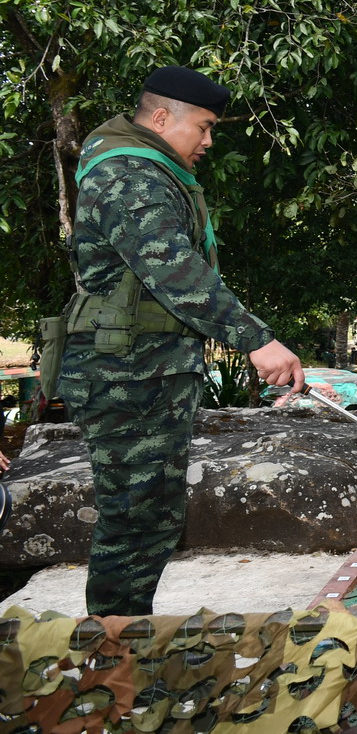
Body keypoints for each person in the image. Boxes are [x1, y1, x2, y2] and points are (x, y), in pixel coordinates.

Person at [56, 65, 304, 618]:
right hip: (124, 374)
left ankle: (123, 644)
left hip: (143, 369)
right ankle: (114, 657)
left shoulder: (144, 167)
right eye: (205, 126)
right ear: (162, 118)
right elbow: (171, 267)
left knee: (150, 515)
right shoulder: (127, 172)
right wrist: (255, 340)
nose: (209, 141)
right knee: (133, 518)